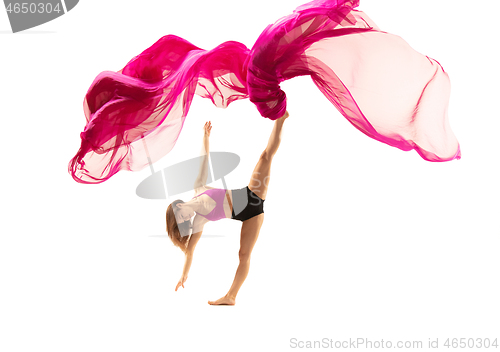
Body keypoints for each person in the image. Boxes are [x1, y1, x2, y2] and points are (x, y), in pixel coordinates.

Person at [166, 111, 289, 305]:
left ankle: (281, 119)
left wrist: (205, 137)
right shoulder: (199, 220)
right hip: (250, 216)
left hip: (251, 195)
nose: (187, 219)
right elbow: (190, 251)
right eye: (184, 222)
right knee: (243, 255)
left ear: (179, 206)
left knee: (265, 156)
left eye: (181, 216)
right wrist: (183, 274)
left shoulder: (199, 188)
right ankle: (231, 297)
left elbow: (204, 160)